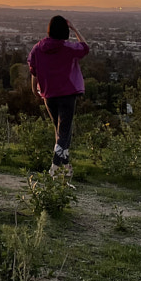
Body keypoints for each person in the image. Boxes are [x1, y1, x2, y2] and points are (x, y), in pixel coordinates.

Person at [27, 15, 89, 177]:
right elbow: (85, 48)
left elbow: (34, 71)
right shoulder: (68, 48)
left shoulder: (37, 49)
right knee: (64, 130)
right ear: (64, 31)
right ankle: (55, 166)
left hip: (48, 94)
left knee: (60, 130)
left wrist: (35, 89)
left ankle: (66, 166)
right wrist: (74, 28)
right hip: (67, 94)